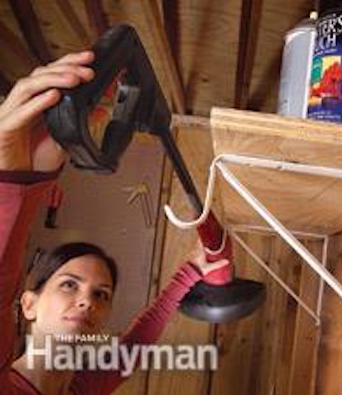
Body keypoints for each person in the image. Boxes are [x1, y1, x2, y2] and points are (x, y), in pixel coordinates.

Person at [0, 51, 229, 394]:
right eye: (68, 285)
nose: (87, 302)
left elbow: (131, 350)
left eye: (101, 294)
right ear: (28, 304)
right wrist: (14, 182)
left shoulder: (81, 388)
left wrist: (193, 270)